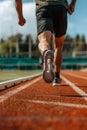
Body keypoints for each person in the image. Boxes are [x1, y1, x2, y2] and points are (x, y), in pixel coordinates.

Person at [15, 0, 77, 86]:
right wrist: (73, 4)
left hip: (43, 8)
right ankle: (56, 77)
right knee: (58, 45)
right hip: (60, 8)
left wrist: (20, 16)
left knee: (44, 40)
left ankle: (46, 55)